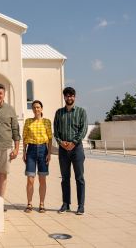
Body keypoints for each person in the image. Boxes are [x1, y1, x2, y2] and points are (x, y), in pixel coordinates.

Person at [54, 87, 88, 215]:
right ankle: (66, 204)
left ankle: (81, 206)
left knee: (79, 178)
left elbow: (83, 129)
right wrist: (61, 142)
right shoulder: (59, 113)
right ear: (64, 97)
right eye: (67, 96)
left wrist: (73, 142)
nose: (69, 98)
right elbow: (55, 130)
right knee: (65, 178)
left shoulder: (81, 112)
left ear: (75, 97)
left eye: (71, 96)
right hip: (63, 150)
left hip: (77, 149)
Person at [22, 100, 52, 213]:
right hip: (31, 150)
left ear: (42, 109)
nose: (36, 109)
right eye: (34, 107)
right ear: (32, 109)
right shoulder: (28, 121)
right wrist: (24, 152)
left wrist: (49, 153)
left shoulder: (47, 122)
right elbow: (24, 137)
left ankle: (41, 203)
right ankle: (29, 203)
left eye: (38, 107)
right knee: (30, 179)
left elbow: (49, 138)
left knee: (42, 179)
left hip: (43, 150)